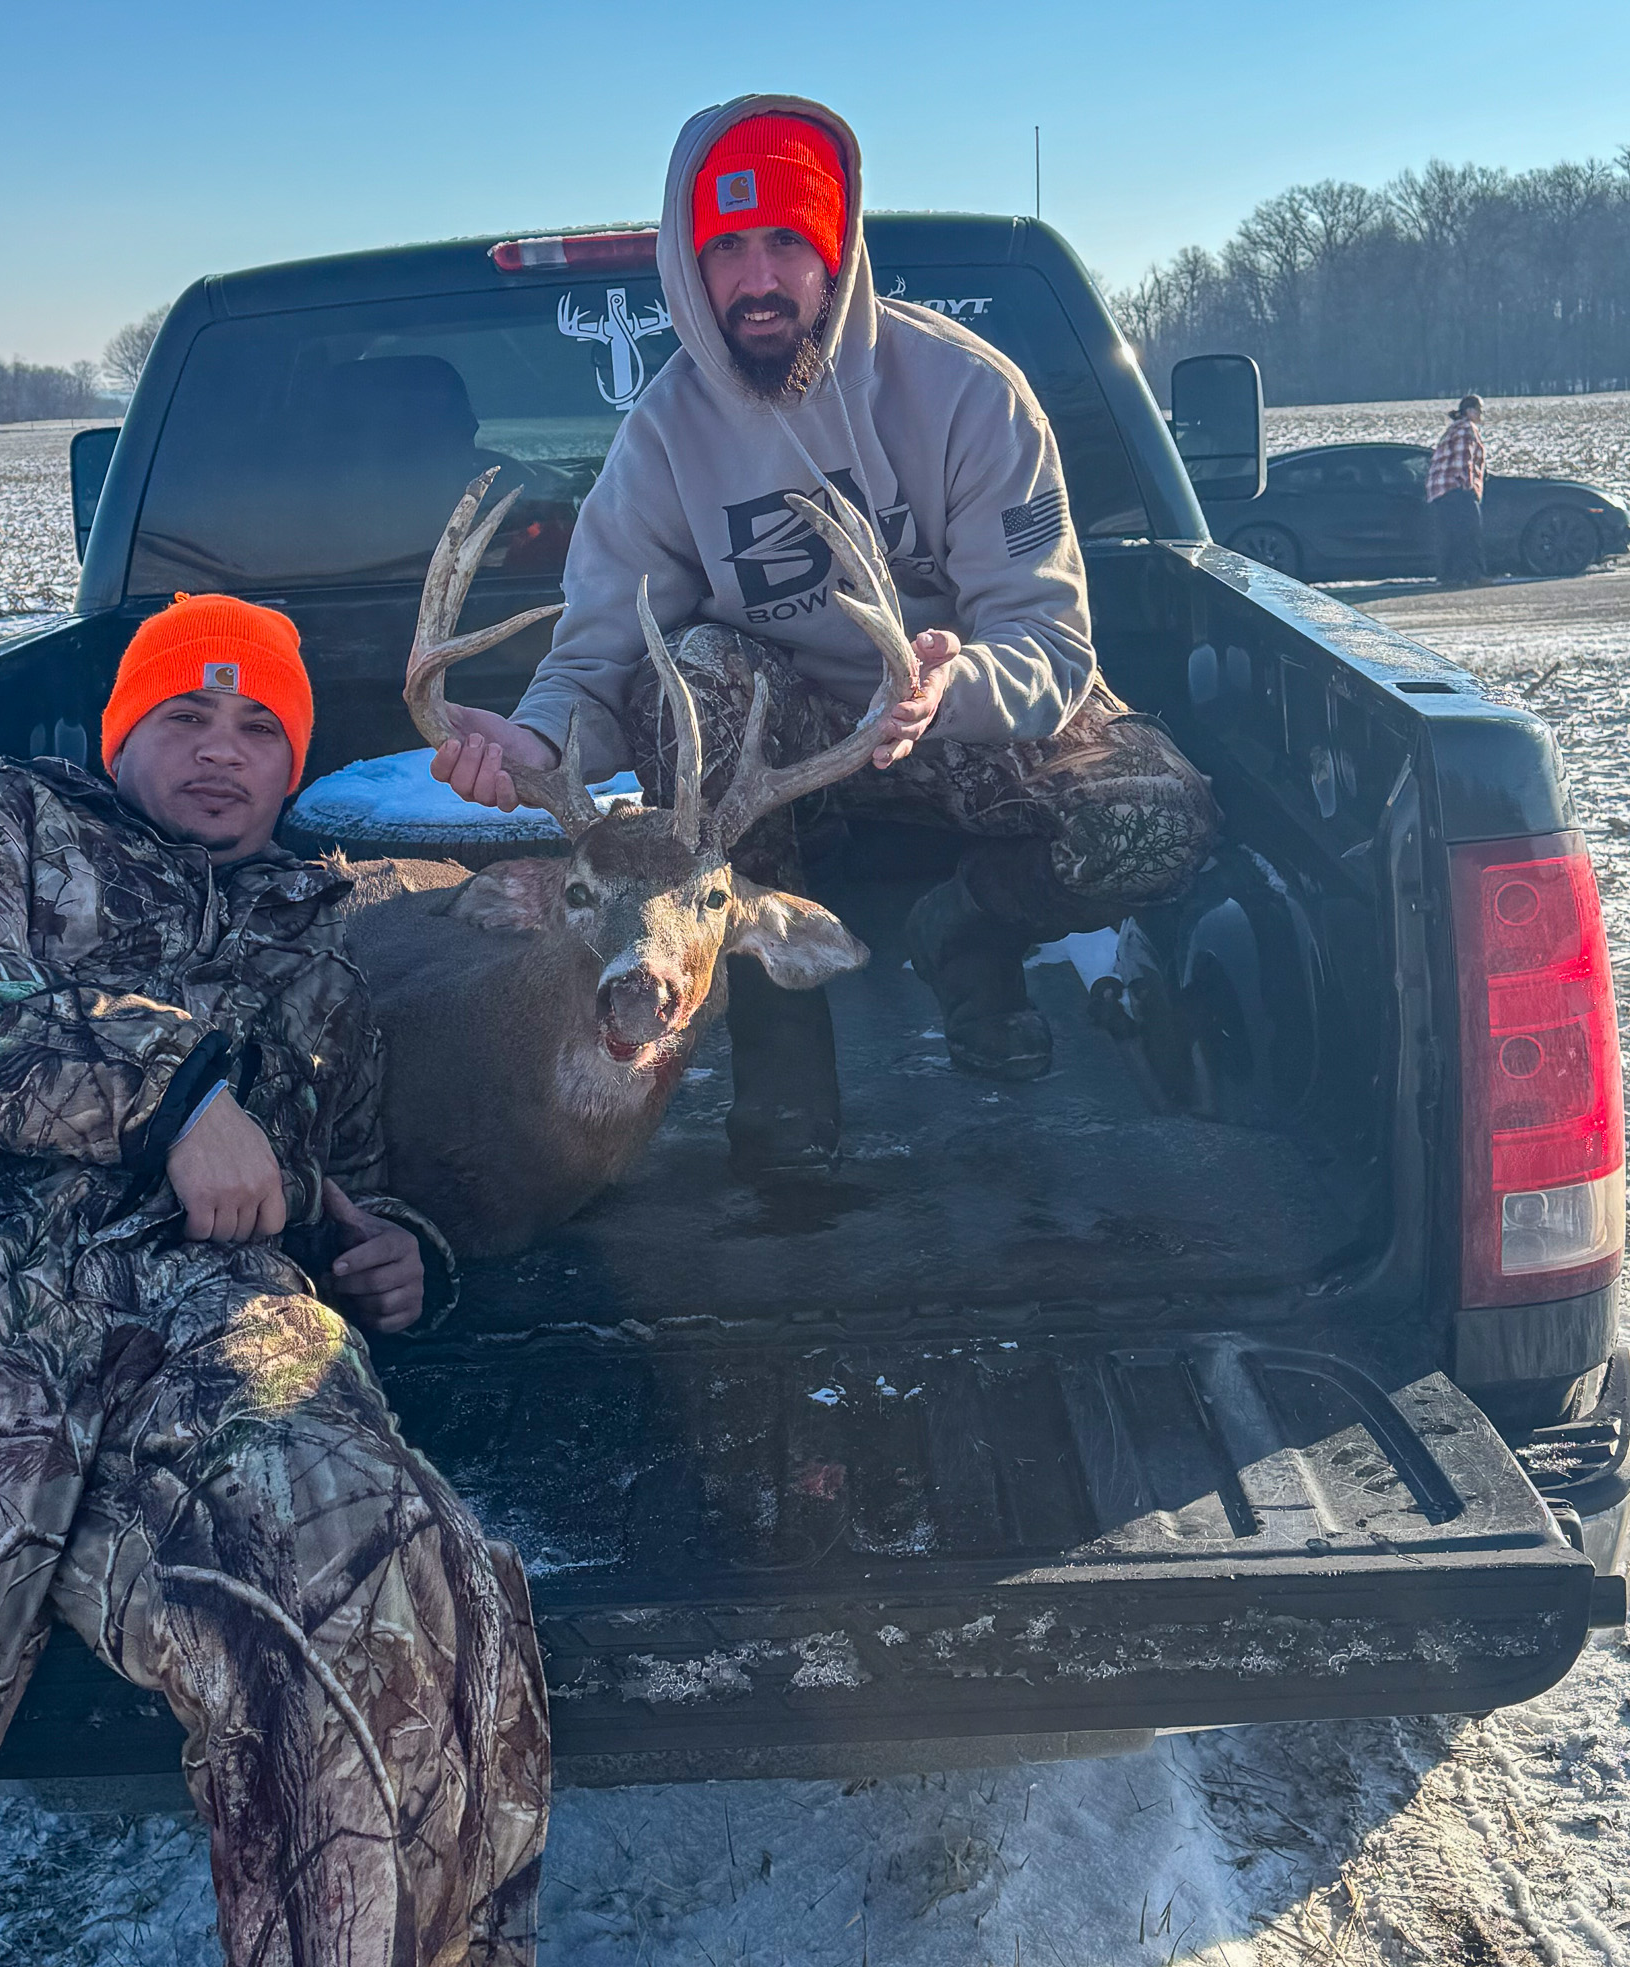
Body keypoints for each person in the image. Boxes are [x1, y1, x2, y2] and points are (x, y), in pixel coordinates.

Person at [0, 595, 549, 1967]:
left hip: (195, 1319)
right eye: (186, 716)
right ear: (119, 731)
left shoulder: (323, 937)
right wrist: (168, 1095)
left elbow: (343, 1174)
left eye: (260, 725)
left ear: (297, 767)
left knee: (395, 1594)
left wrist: (409, 1253)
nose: (223, 751)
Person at [426, 94, 1217, 1176]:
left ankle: (970, 928)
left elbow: (1048, 638)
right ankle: (782, 1059)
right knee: (691, 671)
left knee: (1157, 816)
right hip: (777, 763)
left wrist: (954, 683)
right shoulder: (662, 440)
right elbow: (601, 649)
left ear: (837, 250)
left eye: (789, 243)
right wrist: (538, 743)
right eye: (728, 248)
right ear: (689, 268)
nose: (759, 280)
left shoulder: (973, 394)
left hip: (953, 720)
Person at [1427, 394, 1488, 585]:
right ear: (1470, 411)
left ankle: (1448, 576)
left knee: (1448, 536)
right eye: (1480, 410)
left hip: (1440, 490)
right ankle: (1473, 575)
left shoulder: (1453, 428)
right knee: (1469, 533)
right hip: (1455, 487)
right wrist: (1468, 487)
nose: (1481, 415)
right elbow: (1464, 459)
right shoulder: (1466, 429)